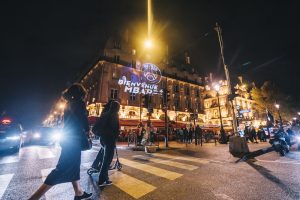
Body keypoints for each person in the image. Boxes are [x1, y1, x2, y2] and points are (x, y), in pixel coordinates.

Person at [28, 84, 92, 200]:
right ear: (81, 93)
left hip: (68, 138)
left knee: (73, 166)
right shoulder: (80, 103)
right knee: (61, 169)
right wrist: (88, 131)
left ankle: (79, 193)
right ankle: (33, 198)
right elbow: (83, 121)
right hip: (75, 139)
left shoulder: (68, 104)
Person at [98, 100, 120, 187]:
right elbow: (115, 129)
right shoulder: (114, 115)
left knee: (105, 159)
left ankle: (105, 178)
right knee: (107, 160)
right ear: (117, 108)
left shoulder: (105, 114)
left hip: (103, 139)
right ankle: (102, 179)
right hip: (110, 139)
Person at [91, 100, 114, 170]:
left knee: (103, 151)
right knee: (107, 152)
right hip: (107, 135)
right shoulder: (109, 114)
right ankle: (104, 166)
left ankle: (96, 164)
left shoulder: (104, 112)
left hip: (103, 135)